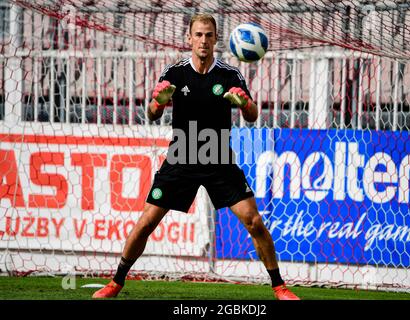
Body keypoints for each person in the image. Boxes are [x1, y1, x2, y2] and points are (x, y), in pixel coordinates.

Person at [92, 13, 299, 300]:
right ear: (189, 39)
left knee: (253, 221)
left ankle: (279, 287)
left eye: (209, 35)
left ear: (216, 39)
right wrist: (159, 102)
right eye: (198, 35)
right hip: (182, 157)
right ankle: (115, 283)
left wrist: (244, 104)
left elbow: (252, 116)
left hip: (218, 159)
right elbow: (152, 113)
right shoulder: (175, 72)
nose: (203, 40)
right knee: (147, 222)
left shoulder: (230, 75)